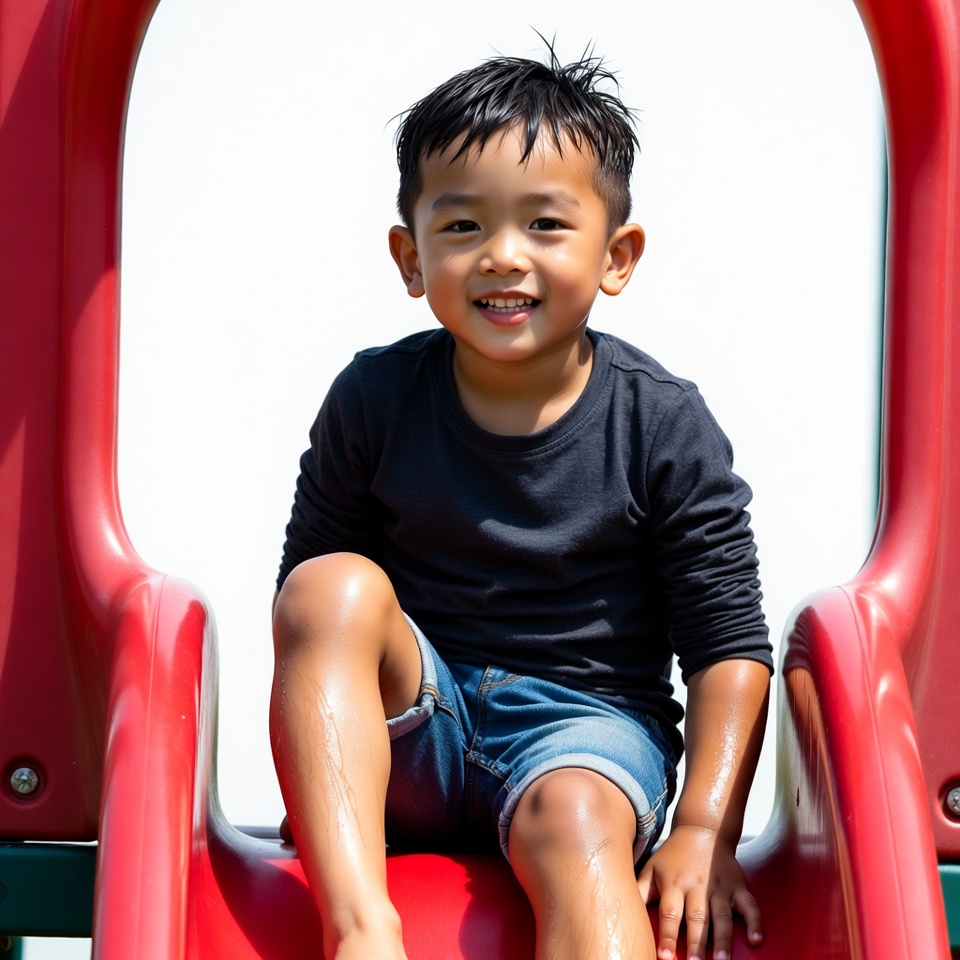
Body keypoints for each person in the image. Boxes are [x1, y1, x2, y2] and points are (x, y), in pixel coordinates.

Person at [270, 46, 773, 960]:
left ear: (616, 256)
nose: (503, 255)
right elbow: (309, 627)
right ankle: (361, 931)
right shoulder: (374, 401)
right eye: (461, 226)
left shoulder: (660, 423)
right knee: (327, 587)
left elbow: (727, 649)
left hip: (585, 733)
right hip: (418, 726)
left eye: (545, 223)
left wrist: (705, 827)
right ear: (410, 257)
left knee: (576, 816)